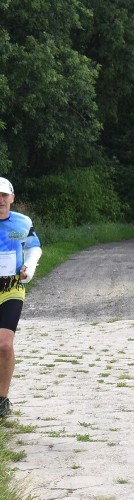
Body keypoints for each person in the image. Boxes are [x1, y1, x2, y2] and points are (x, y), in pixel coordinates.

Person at [0, 176, 43, 418]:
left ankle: (1, 400)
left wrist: (28, 267)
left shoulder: (22, 223)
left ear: (12, 198)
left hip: (10, 288)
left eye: (4, 195)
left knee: (4, 344)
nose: (0, 200)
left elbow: (34, 247)